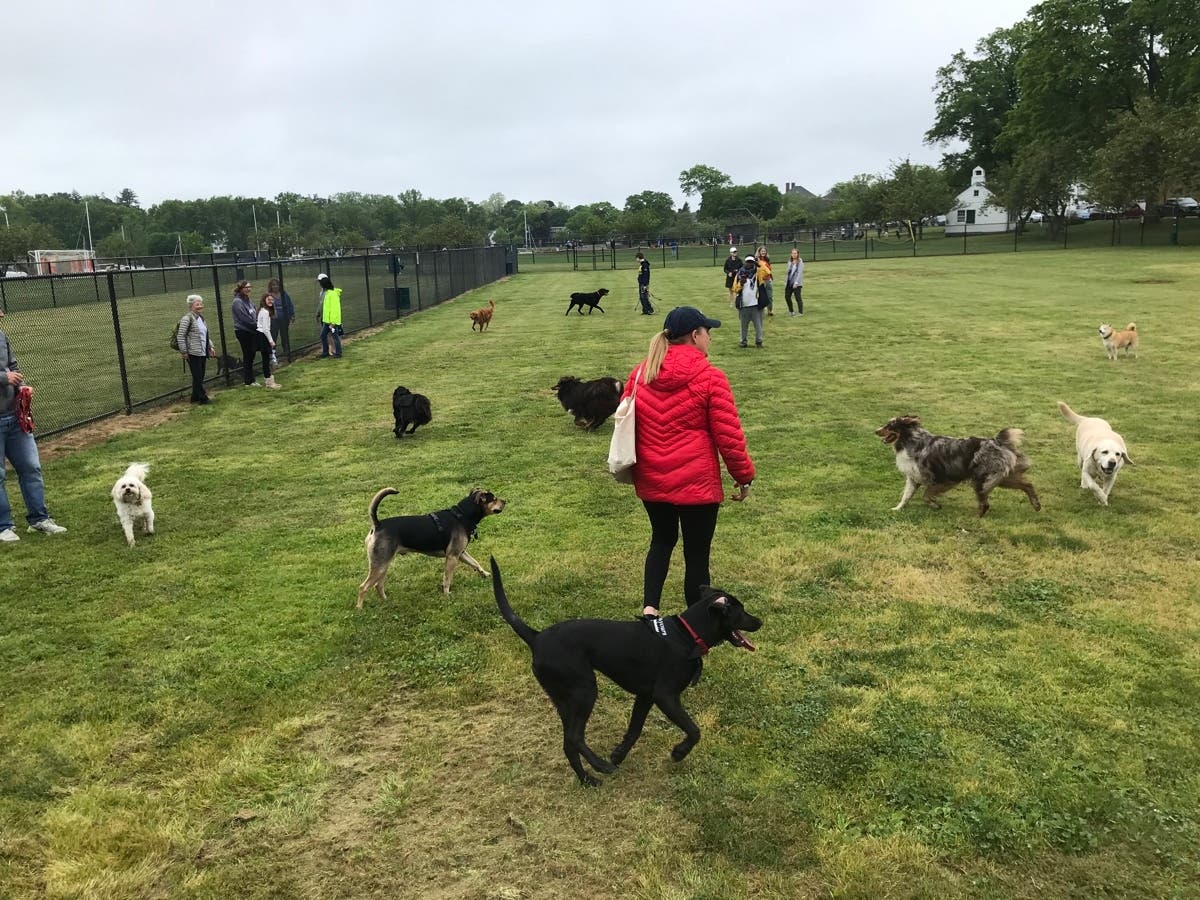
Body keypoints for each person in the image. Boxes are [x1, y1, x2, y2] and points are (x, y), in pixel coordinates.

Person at [619, 306, 755, 617]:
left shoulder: (641, 373)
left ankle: (650, 610)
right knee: (697, 555)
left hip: (652, 479)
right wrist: (743, 476)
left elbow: (627, 419)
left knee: (661, 540)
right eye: (708, 332)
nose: (710, 339)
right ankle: (696, 623)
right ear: (695, 335)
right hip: (697, 483)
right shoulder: (710, 377)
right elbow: (729, 436)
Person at [0, 306, 68, 542]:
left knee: (31, 467)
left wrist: (21, 385)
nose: (1, 314)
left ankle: (39, 519)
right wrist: (3, 378)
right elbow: (5, 373)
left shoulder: (1, 336)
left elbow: (13, 366)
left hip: (14, 415)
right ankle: (3, 526)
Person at [177, 294, 217, 404]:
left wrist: (211, 346)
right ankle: (203, 398)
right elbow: (181, 335)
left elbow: (205, 335)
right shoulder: (187, 318)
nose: (200, 306)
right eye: (197, 304)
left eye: (201, 304)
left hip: (202, 352)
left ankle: (194, 397)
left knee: (199, 375)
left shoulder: (201, 319)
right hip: (193, 352)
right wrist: (184, 351)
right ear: (191, 306)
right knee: (198, 376)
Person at [230, 279, 259, 385]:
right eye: (246, 287)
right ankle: (248, 380)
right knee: (248, 355)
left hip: (252, 330)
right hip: (243, 331)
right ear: (241, 289)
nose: (248, 289)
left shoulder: (248, 299)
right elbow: (244, 319)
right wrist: (257, 326)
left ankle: (251, 379)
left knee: (252, 355)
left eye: (250, 287)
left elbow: (254, 312)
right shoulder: (237, 302)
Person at [735, 253, 764, 348]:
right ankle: (743, 342)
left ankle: (759, 341)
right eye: (748, 262)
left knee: (758, 326)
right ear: (745, 262)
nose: (749, 264)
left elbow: (767, 272)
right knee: (743, 326)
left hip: (755, 304)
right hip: (744, 304)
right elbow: (735, 289)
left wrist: (759, 264)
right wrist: (741, 284)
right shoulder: (740, 273)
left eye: (751, 262)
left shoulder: (757, 273)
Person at [255, 293, 281, 389]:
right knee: (266, 359)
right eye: (268, 300)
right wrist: (271, 341)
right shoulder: (265, 312)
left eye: (272, 300)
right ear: (264, 300)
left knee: (266, 359)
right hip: (262, 335)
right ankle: (269, 382)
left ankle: (269, 380)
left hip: (261, 335)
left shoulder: (263, 311)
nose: (271, 302)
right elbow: (265, 329)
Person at [267, 278, 295, 362]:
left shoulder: (283, 294)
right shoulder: (269, 296)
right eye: (273, 285)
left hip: (284, 318)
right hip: (274, 320)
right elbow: (266, 308)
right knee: (273, 335)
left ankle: (286, 351)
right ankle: (272, 353)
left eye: (277, 285)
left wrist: (292, 315)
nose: (275, 286)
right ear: (270, 287)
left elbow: (289, 304)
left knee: (284, 335)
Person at [317, 273, 343, 357]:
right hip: (327, 321)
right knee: (323, 336)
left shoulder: (332, 294)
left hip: (332, 322)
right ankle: (325, 352)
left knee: (335, 336)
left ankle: (338, 353)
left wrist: (333, 323)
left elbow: (335, 310)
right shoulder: (326, 293)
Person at [784, 248, 804, 317]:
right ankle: (791, 311)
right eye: (792, 253)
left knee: (797, 297)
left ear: (798, 254)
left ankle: (800, 312)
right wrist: (786, 281)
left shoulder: (800, 261)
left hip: (796, 283)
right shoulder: (790, 261)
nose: (794, 255)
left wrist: (796, 283)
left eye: (795, 253)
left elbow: (799, 273)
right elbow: (788, 273)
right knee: (787, 296)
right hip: (789, 282)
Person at [756, 246, 774, 317]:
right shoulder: (757, 260)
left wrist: (771, 277)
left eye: (764, 251)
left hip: (768, 280)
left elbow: (769, 270)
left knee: (769, 296)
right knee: (761, 296)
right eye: (762, 251)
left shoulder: (767, 260)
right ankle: (761, 312)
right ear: (759, 252)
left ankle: (770, 310)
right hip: (761, 281)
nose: (763, 252)